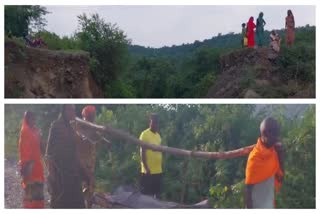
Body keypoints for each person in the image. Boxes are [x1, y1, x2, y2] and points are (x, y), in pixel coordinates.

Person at [45, 104, 87, 208]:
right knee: (60, 203)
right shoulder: (56, 126)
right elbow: (49, 152)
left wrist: (84, 171)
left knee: (77, 204)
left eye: (74, 110)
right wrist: (51, 173)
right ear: (64, 111)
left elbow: (75, 151)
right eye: (71, 110)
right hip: (60, 173)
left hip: (73, 172)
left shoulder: (71, 128)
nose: (73, 113)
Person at [245, 117, 285, 208]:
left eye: (277, 133)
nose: (277, 138)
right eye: (275, 134)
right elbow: (248, 191)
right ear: (265, 133)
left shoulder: (274, 152)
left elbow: (280, 178)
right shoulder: (255, 157)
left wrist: (281, 157)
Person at [18, 111, 45, 208]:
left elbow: (42, 148)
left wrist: (41, 138)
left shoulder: (36, 130)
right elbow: (24, 152)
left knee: (38, 194)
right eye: (30, 118)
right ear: (26, 119)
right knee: (30, 195)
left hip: (37, 167)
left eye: (34, 118)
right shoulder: (25, 132)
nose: (33, 120)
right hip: (29, 167)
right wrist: (26, 169)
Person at [77, 105, 98, 208]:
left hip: (90, 162)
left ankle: (88, 208)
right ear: (88, 116)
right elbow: (78, 139)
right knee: (81, 187)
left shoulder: (93, 126)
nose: (94, 117)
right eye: (93, 115)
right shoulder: (79, 126)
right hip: (81, 163)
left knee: (90, 187)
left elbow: (97, 139)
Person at [139, 113, 163, 198]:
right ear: (150, 122)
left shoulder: (158, 136)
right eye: (153, 122)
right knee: (146, 196)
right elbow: (142, 151)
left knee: (156, 195)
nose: (155, 124)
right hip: (148, 171)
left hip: (158, 170)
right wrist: (146, 167)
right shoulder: (144, 134)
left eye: (156, 122)